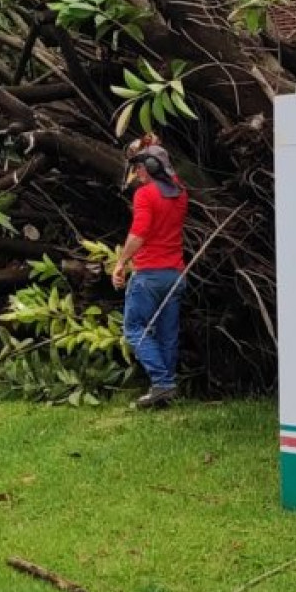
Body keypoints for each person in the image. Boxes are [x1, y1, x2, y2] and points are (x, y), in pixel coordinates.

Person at [111, 140, 189, 409]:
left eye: (141, 167)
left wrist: (121, 262)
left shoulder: (145, 195)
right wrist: (148, 149)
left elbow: (138, 235)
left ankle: (162, 382)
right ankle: (164, 393)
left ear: (153, 167)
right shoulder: (180, 191)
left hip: (149, 275)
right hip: (175, 275)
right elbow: (169, 174)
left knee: (134, 330)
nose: (138, 172)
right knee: (167, 334)